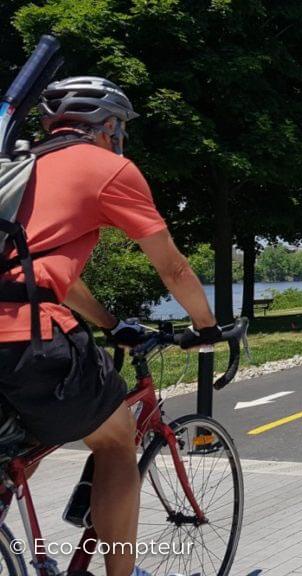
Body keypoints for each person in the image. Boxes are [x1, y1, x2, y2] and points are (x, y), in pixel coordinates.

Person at [0, 76, 221, 576]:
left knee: (25, 443)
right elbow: (174, 269)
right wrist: (206, 327)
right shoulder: (107, 167)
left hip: (11, 327)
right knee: (117, 440)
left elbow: (45, 273)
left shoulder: (17, 169)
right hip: (28, 336)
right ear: (109, 126)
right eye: (120, 129)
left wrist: (111, 323)